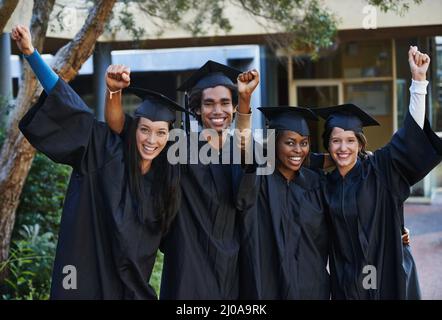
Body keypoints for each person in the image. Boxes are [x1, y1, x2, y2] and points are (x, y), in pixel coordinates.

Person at [12, 25, 188, 299]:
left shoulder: (166, 181)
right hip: (86, 283)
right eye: (144, 130)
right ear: (133, 129)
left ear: (169, 136)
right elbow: (68, 103)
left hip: (132, 292)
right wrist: (31, 53)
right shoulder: (104, 153)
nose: (151, 139)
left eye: (160, 132)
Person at [104, 60, 260, 299]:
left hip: (232, 269)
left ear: (234, 107)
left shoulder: (243, 151)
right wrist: (114, 91)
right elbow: (121, 127)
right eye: (208, 103)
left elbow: (255, 172)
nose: (217, 110)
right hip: (187, 268)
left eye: (225, 103)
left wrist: (246, 100)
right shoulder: (178, 148)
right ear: (197, 109)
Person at [314, 46, 442, 299]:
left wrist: (418, 82)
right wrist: (322, 162)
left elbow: (410, 138)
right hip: (346, 280)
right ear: (327, 145)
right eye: (336, 141)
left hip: (385, 273)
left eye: (350, 141)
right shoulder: (324, 184)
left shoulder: (379, 170)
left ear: (361, 144)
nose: (343, 148)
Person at [236, 106, 330, 299]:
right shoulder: (258, 179)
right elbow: (245, 149)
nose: (298, 149)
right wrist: (244, 102)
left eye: (304, 143)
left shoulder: (317, 184)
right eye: (290, 142)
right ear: (273, 142)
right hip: (265, 287)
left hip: (311, 289)